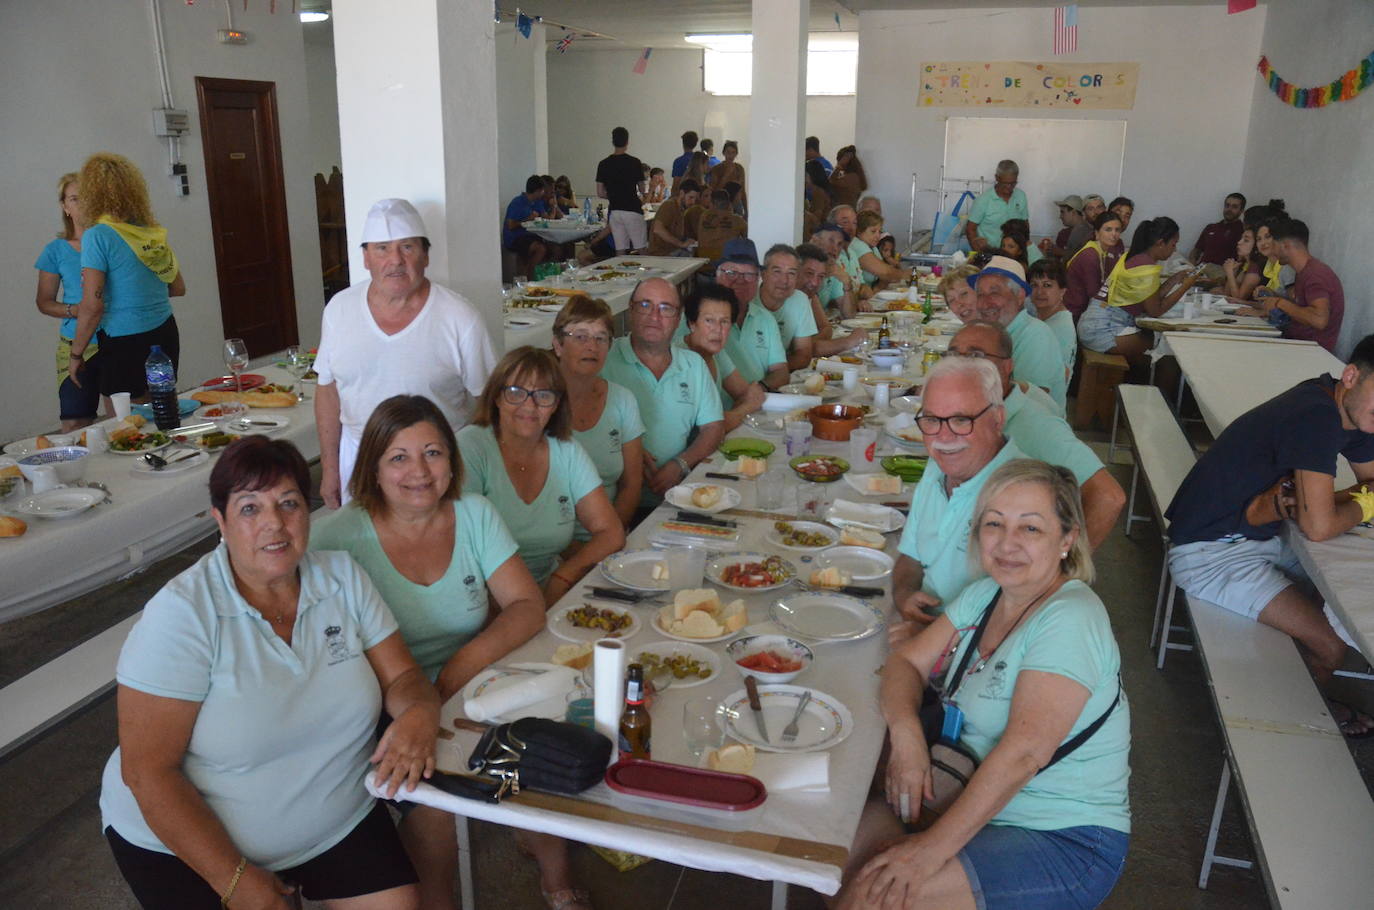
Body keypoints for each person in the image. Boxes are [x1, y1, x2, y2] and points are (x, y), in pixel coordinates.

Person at [100, 436, 437, 910]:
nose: (274, 524)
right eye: (249, 508)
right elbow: (148, 772)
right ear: (219, 521)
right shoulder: (183, 614)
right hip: (188, 844)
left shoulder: (341, 577)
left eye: (288, 503)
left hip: (333, 820)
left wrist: (420, 713)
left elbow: (403, 678)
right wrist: (234, 880)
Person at [841, 459, 1130, 910]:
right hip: (964, 791)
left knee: (873, 895)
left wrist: (926, 852)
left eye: (1030, 528)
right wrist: (907, 734)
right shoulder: (987, 593)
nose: (1007, 543)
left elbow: (1023, 755)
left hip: (1062, 835)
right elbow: (905, 664)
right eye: (994, 524)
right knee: (834, 847)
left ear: (1067, 539)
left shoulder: (1071, 617)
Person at [311, 397, 547, 910]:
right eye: (398, 457)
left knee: (549, 748)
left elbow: (527, 606)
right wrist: (420, 702)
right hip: (378, 703)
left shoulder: (473, 514)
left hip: (468, 688)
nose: (419, 471)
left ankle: (556, 875)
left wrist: (459, 668)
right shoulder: (335, 537)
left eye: (434, 453)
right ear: (372, 467)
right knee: (435, 811)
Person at [1165, 334, 1374, 736]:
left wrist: (1343, 504)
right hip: (1209, 552)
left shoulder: (1347, 408)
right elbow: (1317, 527)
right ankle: (1294, 727)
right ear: (1351, 376)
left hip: (1254, 535)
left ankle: (1290, 676)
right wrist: (1362, 506)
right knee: (1332, 645)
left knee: (1329, 586)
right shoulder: (1316, 416)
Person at [315, 198, 497, 509]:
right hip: (357, 460)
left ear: (426, 256)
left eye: (408, 247)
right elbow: (328, 391)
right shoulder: (339, 310)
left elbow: (489, 404)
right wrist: (330, 469)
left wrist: (474, 469)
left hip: (432, 469)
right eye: (382, 248)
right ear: (365, 258)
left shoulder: (460, 318)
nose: (395, 260)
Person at [456, 347, 623, 604]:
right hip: (484, 601)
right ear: (496, 397)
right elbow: (461, 554)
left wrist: (562, 578)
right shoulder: (471, 447)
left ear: (556, 404)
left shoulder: (566, 449)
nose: (529, 405)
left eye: (543, 395)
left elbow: (610, 532)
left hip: (550, 593)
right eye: (515, 392)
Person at [949, 322, 1125, 550]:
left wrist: (1060, 570)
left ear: (1007, 367)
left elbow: (1108, 497)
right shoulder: (975, 412)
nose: (961, 364)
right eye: (953, 354)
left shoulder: (1036, 425)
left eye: (977, 355)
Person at [66, 152, 186, 404]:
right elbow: (177, 287)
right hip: (164, 333)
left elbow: (92, 305)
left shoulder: (98, 235)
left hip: (124, 339)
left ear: (92, 192)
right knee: (164, 413)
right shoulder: (149, 231)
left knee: (129, 427)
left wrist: (76, 354)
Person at [600, 278, 725, 498]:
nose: (654, 317)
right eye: (645, 305)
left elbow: (713, 428)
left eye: (666, 309)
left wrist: (680, 464)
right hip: (612, 500)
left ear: (678, 319)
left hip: (679, 494)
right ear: (631, 310)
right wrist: (626, 450)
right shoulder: (603, 360)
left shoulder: (694, 364)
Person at [551, 296, 646, 536]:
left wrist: (608, 539)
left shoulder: (623, 400)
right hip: (550, 545)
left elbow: (631, 484)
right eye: (580, 336)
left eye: (601, 338)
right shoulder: (538, 405)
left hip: (608, 536)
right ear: (558, 345)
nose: (592, 346)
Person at [1076, 216, 1197, 369]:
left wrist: (1175, 280)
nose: (1175, 249)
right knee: (1167, 346)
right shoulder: (1147, 268)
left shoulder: (1135, 257)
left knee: (1155, 343)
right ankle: (1160, 390)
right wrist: (1185, 286)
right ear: (1160, 243)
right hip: (1102, 331)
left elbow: (1150, 298)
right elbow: (1155, 310)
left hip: (1092, 324)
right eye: (1173, 244)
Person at [36, 171, 101, 431]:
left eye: (86, 198)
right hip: (75, 343)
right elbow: (44, 302)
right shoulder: (56, 250)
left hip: (116, 340)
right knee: (75, 422)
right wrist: (76, 310)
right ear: (65, 206)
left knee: (125, 419)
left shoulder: (111, 243)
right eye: (74, 198)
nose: (81, 204)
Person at [973, 256, 1069, 411]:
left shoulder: (1036, 336)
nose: (984, 303)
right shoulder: (997, 332)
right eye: (980, 294)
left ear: (1019, 296)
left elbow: (1029, 404)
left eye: (995, 293)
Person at [1245, 218, 1344, 353]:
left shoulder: (1315, 274)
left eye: (1274, 245)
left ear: (1285, 245)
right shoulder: (1303, 272)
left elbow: (1319, 319)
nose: (1272, 252)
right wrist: (1275, 297)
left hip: (1310, 353)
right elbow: (1302, 309)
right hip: (1296, 344)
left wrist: (1280, 303)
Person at [679, 283, 766, 430]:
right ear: (692, 323)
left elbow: (745, 393)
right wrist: (745, 408)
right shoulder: (680, 359)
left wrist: (733, 414)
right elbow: (706, 429)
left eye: (724, 322)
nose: (718, 330)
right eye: (709, 320)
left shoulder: (715, 352)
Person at [711, 240, 790, 390]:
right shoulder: (698, 319)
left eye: (748, 274)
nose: (740, 280)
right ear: (717, 276)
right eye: (731, 272)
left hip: (758, 406)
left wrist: (759, 390)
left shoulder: (766, 319)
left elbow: (781, 371)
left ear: (758, 279)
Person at [754, 243, 822, 370]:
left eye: (791, 273)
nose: (784, 281)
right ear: (763, 274)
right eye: (777, 272)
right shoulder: (749, 301)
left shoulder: (800, 300)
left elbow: (804, 353)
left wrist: (776, 373)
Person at [797, 242, 867, 350]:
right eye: (809, 273)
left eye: (821, 276)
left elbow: (826, 329)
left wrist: (810, 344)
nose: (815, 282)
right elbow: (799, 351)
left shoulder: (808, 295)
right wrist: (849, 341)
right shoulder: (785, 297)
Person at [1064, 211, 1125, 321]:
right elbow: (1095, 293)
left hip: (1086, 310)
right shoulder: (1090, 255)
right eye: (1108, 229)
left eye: (1117, 230)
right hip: (1074, 314)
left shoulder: (1103, 250)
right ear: (1096, 233)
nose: (1114, 234)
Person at [595, 126, 647, 255]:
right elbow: (642, 188)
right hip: (632, 209)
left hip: (615, 211)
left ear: (612, 141)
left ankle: (621, 274)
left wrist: (614, 195)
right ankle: (646, 274)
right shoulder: (635, 162)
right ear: (627, 142)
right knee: (641, 249)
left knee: (620, 250)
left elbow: (600, 193)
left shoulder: (603, 164)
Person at [966, 160, 1029, 253]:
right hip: (990, 253)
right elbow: (970, 229)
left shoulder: (1021, 196)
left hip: (1014, 256)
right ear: (997, 178)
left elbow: (1025, 225)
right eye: (1005, 183)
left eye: (1013, 183)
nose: (1009, 187)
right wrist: (980, 254)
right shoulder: (983, 200)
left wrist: (1025, 250)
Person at [1026, 258, 1076, 374]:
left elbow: (1063, 376)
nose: (1039, 292)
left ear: (1062, 291)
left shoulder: (1059, 328)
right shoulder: (1046, 316)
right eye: (1034, 285)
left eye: (1047, 285)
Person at [503, 175, 554, 278]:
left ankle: (540, 275)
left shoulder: (537, 202)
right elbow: (511, 225)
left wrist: (554, 206)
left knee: (552, 245)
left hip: (530, 235)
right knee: (540, 249)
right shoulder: (517, 203)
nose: (543, 193)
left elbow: (548, 219)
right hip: (515, 237)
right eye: (542, 190)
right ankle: (529, 275)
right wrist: (528, 219)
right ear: (538, 191)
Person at [849, 210, 908, 289]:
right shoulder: (857, 244)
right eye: (873, 231)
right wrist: (909, 274)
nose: (878, 236)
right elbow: (886, 273)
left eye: (879, 231)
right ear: (859, 231)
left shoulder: (873, 247)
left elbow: (885, 275)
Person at [687, 189, 747, 263]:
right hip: (726, 267)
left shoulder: (704, 216)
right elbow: (748, 239)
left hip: (704, 266)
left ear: (711, 204)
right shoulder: (738, 220)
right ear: (729, 204)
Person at [646, 178, 701, 257]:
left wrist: (685, 240)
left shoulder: (681, 208)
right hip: (661, 253)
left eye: (695, 199)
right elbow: (658, 229)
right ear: (682, 193)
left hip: (673, 250)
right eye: (691, 197)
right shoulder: (669, 205)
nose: (693, 202)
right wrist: (680, 243)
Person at [1189, 192, 1246, 266]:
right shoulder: (1211, 227)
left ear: (1241, 211)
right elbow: (1196, 250)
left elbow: (1241, 261)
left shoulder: (1242, 232)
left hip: (1221, 274)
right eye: (1227, 205)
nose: (1229, 209)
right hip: (1200, 271)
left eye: (1234, 207)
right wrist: (1192, 266)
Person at [1037, 194, 1091, 260]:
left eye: (1062, 212)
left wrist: (1061, 252)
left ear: (1073, 212)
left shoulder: (1090, 232)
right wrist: (1049, 251)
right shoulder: (1063, 234)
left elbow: (1085, 258)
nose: (1060, 216)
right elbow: (1056, 261)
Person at [707, 140, 747, 214]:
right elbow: (713, 190)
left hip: (737, 205)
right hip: (721, 205)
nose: (730, 156)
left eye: (733, 152)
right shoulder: (717, 169)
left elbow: (743, 191)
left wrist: (746, 211)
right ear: (724, 153)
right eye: (728, 152)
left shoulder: (739, 169)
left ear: (736, 154)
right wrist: (726, 175)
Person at [669, 129, 698, 194]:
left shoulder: (679, 161)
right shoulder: (700, 159)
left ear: (683, 143)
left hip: (685, 195)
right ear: (695, 144)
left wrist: (673, 195)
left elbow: (676, 183)